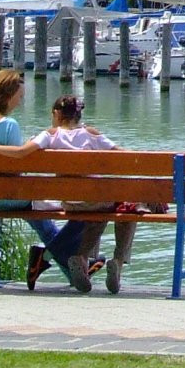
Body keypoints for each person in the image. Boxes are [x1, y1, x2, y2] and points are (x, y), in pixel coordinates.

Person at [0, 68, 92, 293]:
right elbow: (17, 171)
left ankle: (72, 271)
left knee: (41, 218)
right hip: (12, 196)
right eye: (19, 97)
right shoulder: (8, 125)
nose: (20, 103)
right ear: (5, 95)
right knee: (71, 210)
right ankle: (63, 262)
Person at [31, 93, 148, 295]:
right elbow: (125, 157)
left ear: (57, 114)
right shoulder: (90, 133)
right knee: (127, 205)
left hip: (70, 202)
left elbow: (24, 151)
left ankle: (83, 257)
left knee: (102, 207)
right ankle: (118, 261)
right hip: (95, 202)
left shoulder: (50, 135)